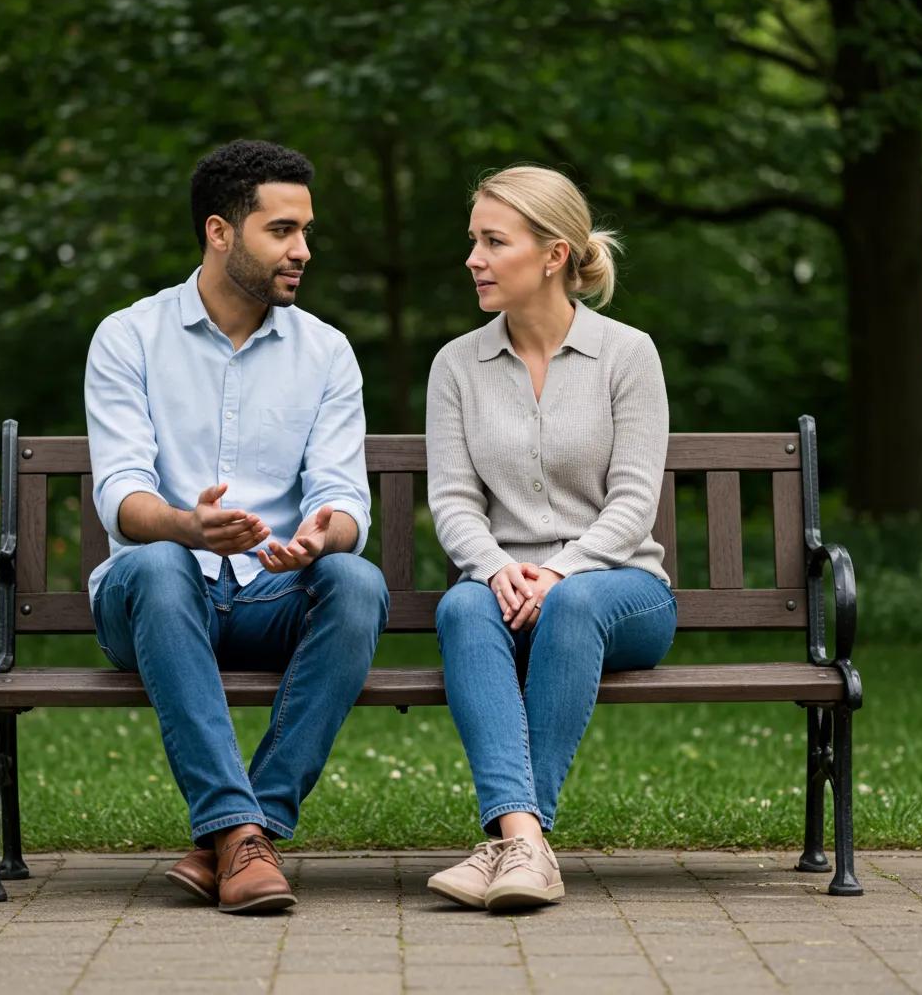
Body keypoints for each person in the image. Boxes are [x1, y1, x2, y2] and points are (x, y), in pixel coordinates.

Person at [84, 140, 389, 914]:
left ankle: (234, 836)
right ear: (221, 233)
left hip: (269, 595)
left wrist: (325, 535)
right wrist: (188, 525)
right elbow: (121, 493)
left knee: (356, 582)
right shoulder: (129, 337)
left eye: (305, 232)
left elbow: (343, 494)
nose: (303, 251)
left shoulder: (326, 352)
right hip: (154, 605)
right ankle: (243, 837)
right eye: (282, 231)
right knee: (155, 562)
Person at [424, 166, 676, 912]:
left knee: (572, 606)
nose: (473, 257)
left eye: (493, 241)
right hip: (502, 591)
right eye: (474, 240)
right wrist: (499, 568)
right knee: (460, 609)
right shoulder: (456, 366)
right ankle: (522, 839)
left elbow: (634, 504)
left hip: (620, 592)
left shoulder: (629, 355)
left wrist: (559, 572)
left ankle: (513, 844)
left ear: (553, 254)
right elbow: (454, 502)